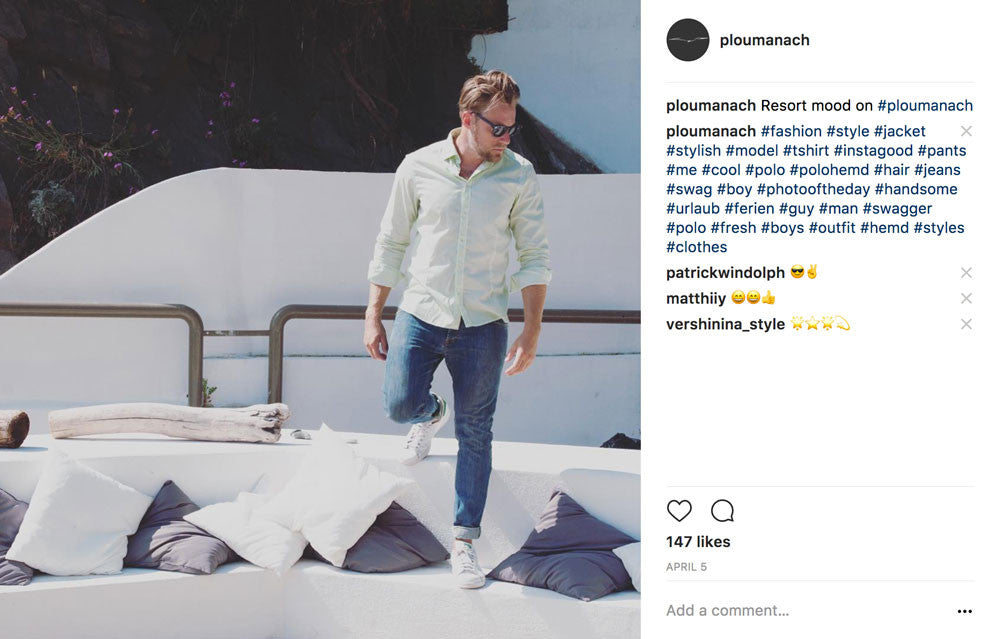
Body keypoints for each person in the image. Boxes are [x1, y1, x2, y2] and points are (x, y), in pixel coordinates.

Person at [364, 70, 551, 589]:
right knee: (399, 404)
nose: (507, 138)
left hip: (484, 324)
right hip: (421, 313)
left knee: (477, 433)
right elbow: (391, 242)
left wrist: (531, 331)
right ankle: (430, 413)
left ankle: (464, 543)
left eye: (513, 129)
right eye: (498, 129)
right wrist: (373, 313)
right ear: (468, 119)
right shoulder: (418, 167)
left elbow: (535, 258)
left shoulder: (519, 175)